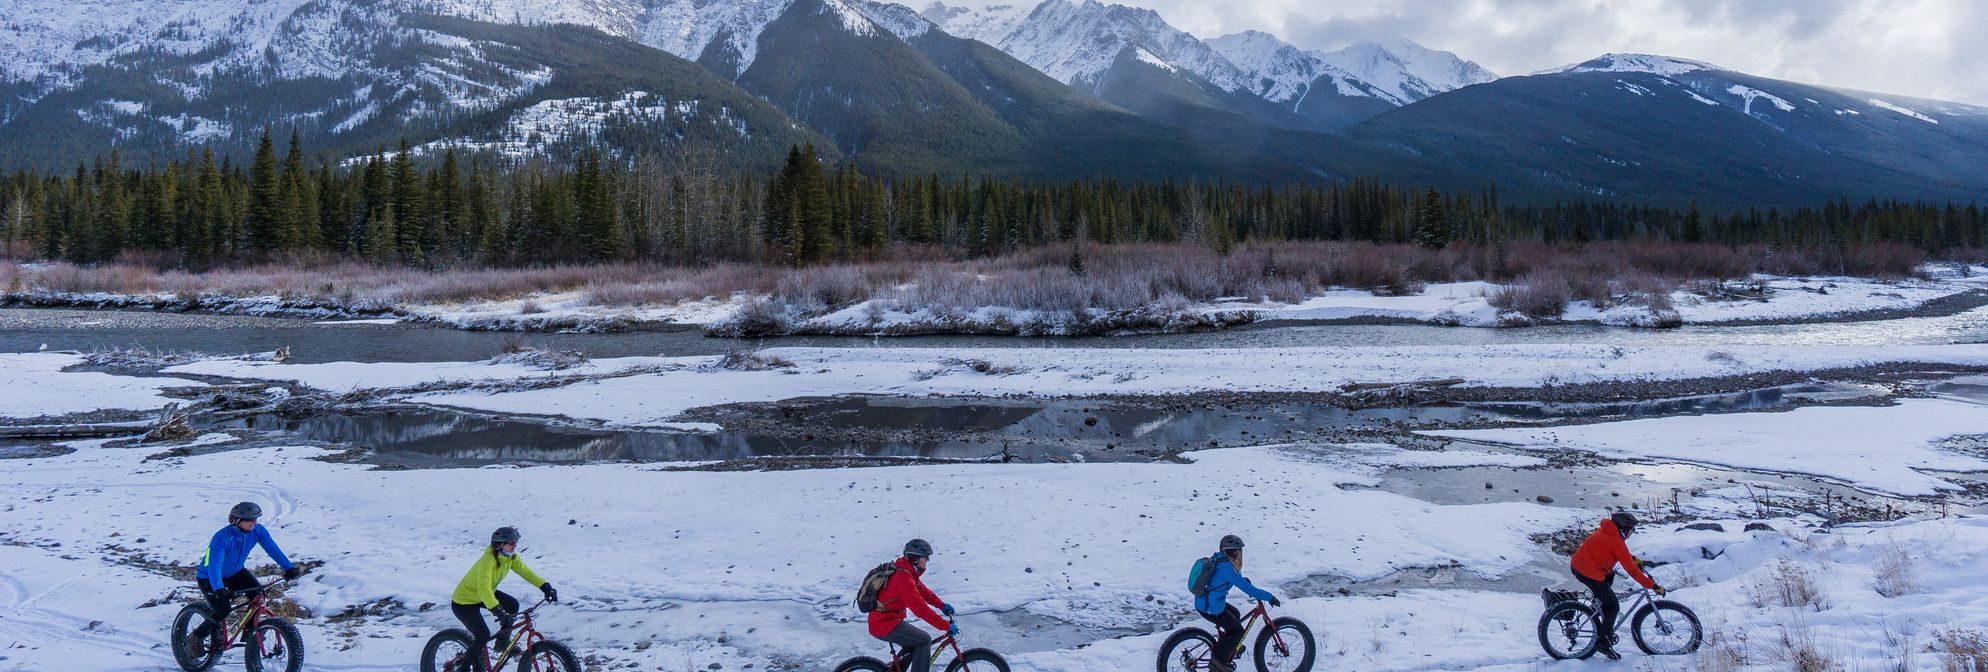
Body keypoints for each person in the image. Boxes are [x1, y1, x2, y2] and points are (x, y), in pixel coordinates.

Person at [186, 502, 300, 654]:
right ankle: (196, 636)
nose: (254, 522)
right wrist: (219, 589)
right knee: (223, 609)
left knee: (258, 595)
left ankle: (250, 631)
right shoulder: (222, 537)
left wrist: (288, 567)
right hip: (209, 577)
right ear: (237, 520)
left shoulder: (257, 531)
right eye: (250, 520)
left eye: (256, 519)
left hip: (236, 573)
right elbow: (214, 566)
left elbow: (272, 549)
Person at [451, 527, 557, 670]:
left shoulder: (511, 558)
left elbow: (527, 572)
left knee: (512, 605)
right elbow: (484, 589)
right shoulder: (487, 561)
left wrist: (545, 586)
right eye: (511, 543)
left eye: (516, 543)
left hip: (483, 596)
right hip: (463, 603)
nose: (515, 546)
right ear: (499, 545)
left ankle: (502, 643)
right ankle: (463, 668)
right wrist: (498, 612)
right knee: (482, 635)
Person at [1571, 512, 1664, 660]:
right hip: (1588, 571)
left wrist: (1632, 558)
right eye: (1631, 530)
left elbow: (1614, 551)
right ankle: (1604, 643)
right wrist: (1652, 586)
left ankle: (1598, 606)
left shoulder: (1608, 530)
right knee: (1613, 606)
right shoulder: (1616, 541)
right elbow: (1631, 570)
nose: (1631, 534)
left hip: (1580, 565)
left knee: (1610, 577)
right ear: (1624, 529)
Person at [866, 539, 955, 672]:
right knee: (924, 640)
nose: (927, 561)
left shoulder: (906, 572)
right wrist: (945, 625)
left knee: (914, 645)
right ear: (916, 559)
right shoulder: (903, 579)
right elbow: (921, 610)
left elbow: (924, 592)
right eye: (926, 558)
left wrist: (942, 605)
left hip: (887, 620)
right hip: (884, 624)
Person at [1195, 535, 1278, 672]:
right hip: (1211, 607)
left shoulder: (1218, 559)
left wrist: (1241, 580)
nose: (1239, 554)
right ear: (1232, 552)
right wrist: (1269, 597)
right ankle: (1218, 662)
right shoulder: (1228, 568)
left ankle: (1229, 645)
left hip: (1204, 602)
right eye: (1237, 551)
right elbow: (1249, 590)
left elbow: (1221, 581)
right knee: (1237, 631)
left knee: (1235, 614)